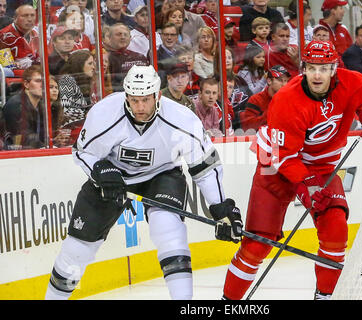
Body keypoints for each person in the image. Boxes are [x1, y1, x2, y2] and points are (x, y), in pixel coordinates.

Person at [44, 65, 243, 300]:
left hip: (162, 174)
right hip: (112, 179)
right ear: (126, 96)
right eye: (134, 100)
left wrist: (219, 207)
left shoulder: (181, 119)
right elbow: (82, 152)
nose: (140, 107)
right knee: (77, 249)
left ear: (157, 96)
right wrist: (100, 169)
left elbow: (204, 168)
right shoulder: (105, 113)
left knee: (168, 229)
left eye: (146, 100)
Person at [220, 40, 362, 300]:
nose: (317, 75)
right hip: (277, 166)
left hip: (322, 166)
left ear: (333, 69)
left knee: (336, 226)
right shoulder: (286, 100)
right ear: (303, 68)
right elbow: (284, 158)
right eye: (312, 68)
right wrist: (310, 186)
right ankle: (228, 302)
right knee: (258, 242)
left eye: (324, 68)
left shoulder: (354, 83)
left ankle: (324, 297)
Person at [58, 50, 98, 144]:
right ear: (79, 64)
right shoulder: (66, 80)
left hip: (84, 129)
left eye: (93, 63)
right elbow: (68, 112)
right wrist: (88, 114)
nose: (93, 67)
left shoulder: (88, 82)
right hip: (70, 132)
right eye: (90, 63)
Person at [2, 65, 46, 149]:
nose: (43, 85)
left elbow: (42, 135)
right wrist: (46, 147)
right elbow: (24, 139)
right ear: (26, 84)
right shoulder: (16, 105)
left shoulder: (41, 105)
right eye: (38, 81)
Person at [240, 65, 290, 132]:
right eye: (280, 80)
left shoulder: (289, 100)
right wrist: (272, 111)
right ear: (269, 81)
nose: (284, 84)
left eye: (286, 81)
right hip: (260, 139)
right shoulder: (255, 100)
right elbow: (249, 127)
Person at [105, 23, 149, 91]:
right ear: (109, 38)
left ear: (130, 38)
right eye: (118, 34)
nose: (123, 37)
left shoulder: (140, 57)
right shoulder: (105, 58)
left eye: (125, 34)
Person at [0, 4, 39, 75]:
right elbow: (23, 63)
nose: (30, 19)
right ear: (15, 18)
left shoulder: (35, 33)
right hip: (11, 75)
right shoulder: (7, 35)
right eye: (25, 16)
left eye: (32, 15)